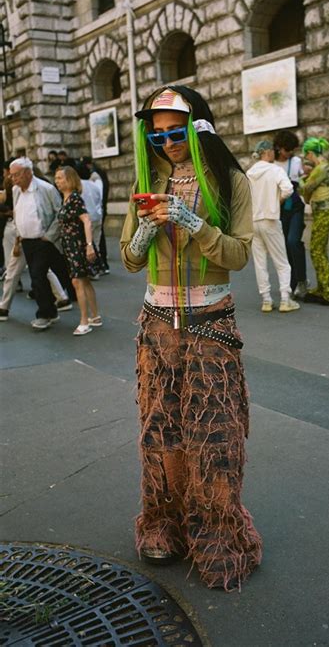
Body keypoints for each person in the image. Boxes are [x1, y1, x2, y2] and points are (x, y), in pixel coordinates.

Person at [120, 85, 262, 591]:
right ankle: (163, 525)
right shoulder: (146, 179)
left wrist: (192, 222)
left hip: (211, 326)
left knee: (215, 437)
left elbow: (240, 255)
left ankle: (218, 534)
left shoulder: (230, 181)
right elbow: (130, 260)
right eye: (156, 135)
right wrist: (144, 229)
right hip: (157, 328)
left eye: (175, 131)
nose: (166, 142)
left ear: (197, 127)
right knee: (161, 435)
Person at [10, 157, 74, 330]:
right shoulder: (16, 190)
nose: (13, 179)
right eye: (11, 176)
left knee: (38, 275)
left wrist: (50, 235)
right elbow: (18, 213)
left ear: (28, 172)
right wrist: (18, 237)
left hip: (43, 240)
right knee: (40, 274)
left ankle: (44, 313)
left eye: (16, 175)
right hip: (27, 241)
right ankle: (53, 310)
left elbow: (59, 212)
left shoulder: (45, 189)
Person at [246, 139, 299, 313]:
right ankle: (285, 299)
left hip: (254, 221)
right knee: (282, 261)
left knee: (260, 262)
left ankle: (266, 300)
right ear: (267, 153)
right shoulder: (275, 170)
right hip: (270, 218)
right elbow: (288, 189)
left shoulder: (250, 173)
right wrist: (277, 201)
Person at [55, 166, 102, 335]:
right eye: (56, 178)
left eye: (60, 178)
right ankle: (94, 317)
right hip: (71, 245)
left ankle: (84, 321)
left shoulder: (74, 198)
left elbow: (87, 220)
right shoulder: (66, 198)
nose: (57, 181)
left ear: (70, 179)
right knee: (84, 281)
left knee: (78, 282)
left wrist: (89, 245)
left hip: (77, 245)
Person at [301, 137, 329, 305]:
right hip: (322, 213)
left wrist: (300, 181)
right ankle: (323, 287)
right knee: (319, 250)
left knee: (316, 252)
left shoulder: (321, 168)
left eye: (307, 156)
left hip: (324, 213)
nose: (307, 159)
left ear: (311, 153)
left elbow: (307, 188)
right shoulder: (323, 167)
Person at [273, 129, 308, 298]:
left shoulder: (295, 161)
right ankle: (292, 285)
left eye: (292, 150)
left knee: (294, 241)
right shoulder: (270, 165)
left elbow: (304, 177)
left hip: (295, 207)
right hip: (279, 210)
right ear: (279, 148)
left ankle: (302, 280)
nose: (290, 153)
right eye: (287, 150)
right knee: (285, 247)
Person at [80, 156, 110, 272]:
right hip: (97, 213)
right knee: (95, 241)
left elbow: (100, 196)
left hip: (94, 214)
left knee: (94, 241)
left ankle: (98, 266)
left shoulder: (94, 178)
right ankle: (99, 266)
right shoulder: (95, 178)